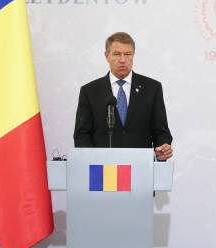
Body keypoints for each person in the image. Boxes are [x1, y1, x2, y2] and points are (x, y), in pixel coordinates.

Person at [74, 32, 173, 160]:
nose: (122, 60)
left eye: (127, 54)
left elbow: (161, 131)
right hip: (103, 171)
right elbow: (82, 135)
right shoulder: (90, 91)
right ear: (107, 56)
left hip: (141, 168)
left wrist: (162, 148)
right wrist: (91, 161)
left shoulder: (152, 88)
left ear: (133, 55)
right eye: (116, 54)